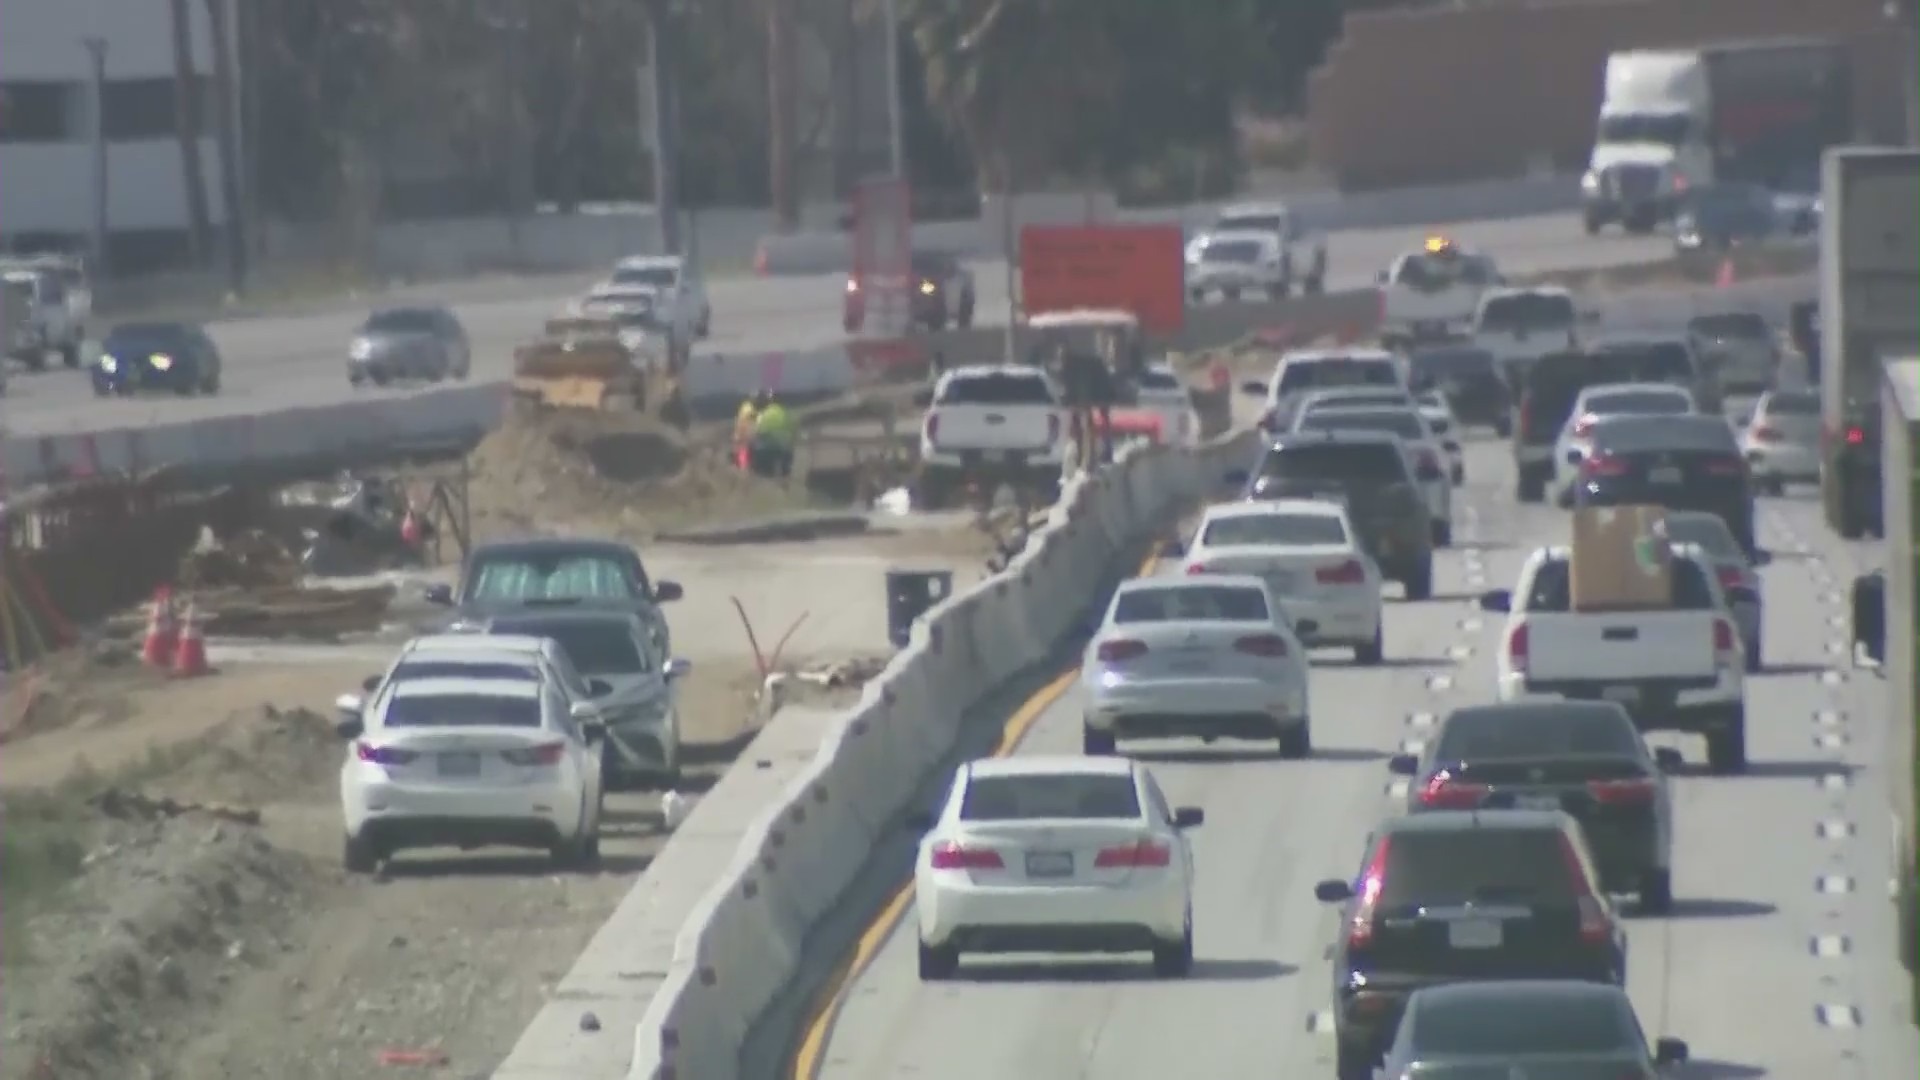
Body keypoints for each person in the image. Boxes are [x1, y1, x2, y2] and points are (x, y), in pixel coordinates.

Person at [750, 388, 796, 477]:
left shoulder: (763, 414)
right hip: (784, 450)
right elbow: (793, 432)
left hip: (767, 450)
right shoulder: (785, 413)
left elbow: (756, 433)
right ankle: (784, 477)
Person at [732, 391, 759, 469]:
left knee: (742, 449)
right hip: (745, 431)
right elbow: (751, 422)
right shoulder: (751, 410)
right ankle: (743, 466)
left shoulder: (745, 407)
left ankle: (741, 465)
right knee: (745, 449)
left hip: (741, 430)